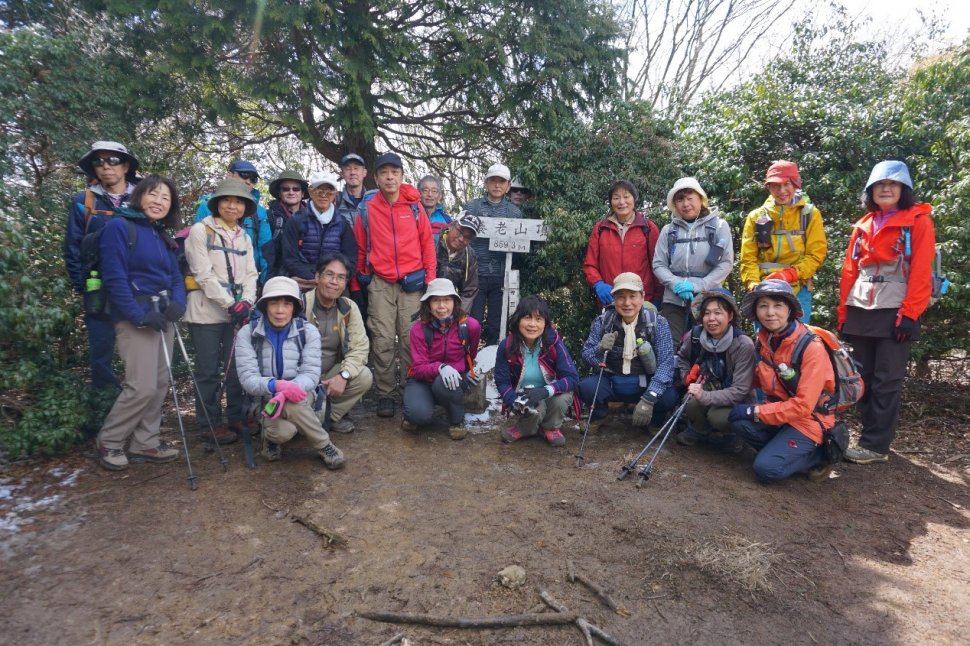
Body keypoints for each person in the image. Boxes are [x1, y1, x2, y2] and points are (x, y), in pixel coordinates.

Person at [837, 160, 937, 465]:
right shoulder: (863, 225)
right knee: (861, 376)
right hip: (861, 306)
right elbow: (849, 270)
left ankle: (876, 445)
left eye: (892, 184)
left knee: (887, 378)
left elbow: (921, 270)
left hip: (896, 307)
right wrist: (843, 313)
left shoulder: (918, 221)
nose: (886, 189)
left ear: (903, 189)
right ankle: (869, 436)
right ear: (870, 190)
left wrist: (909, 313)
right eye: (879, 185)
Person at [94, 175, 186, 471]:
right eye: (153, 194)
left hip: (162, 317)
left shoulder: (161, 234)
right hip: (136, 318)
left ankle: (146, 441)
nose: (158, 201)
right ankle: (110, 440)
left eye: (165, 198)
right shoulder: (119, 227)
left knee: (160, 383)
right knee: (141, 385)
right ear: (139, 196)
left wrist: (178, 303)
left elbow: (175, 276)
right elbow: (115, 277)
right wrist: (137, 314)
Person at [351, 152, 436, 418]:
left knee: (412, 339)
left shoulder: (414, 206)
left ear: (401, 176)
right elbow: (359, 247)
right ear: (375, 178)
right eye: (384, 173)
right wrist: (360, 277)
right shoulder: (367, 208)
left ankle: (413, 387)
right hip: (380, 283)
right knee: (383, 339)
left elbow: (427, 246)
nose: (390, 177)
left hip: (413, 283)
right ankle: (386, 394)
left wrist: (430, 281)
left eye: (395, 172)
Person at [729, 279, 834, 483]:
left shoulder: (811, 347)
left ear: (789, 310)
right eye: (763, 306)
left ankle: (820, 456)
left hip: (809, 420)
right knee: (739, 422)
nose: (770, 313)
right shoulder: (766, 339)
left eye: (778, 306)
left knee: (766, 469)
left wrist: (755, 410)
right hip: (780, 411)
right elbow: (761, 378)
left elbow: (804, 405)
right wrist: (731, 388)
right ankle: (781, 450)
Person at [234, 276, 345, 469]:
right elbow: (247, 379)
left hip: (301, 396)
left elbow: (310, 375)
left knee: (293, 402)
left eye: (286, 304)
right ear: (264, 306)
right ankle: (315, 442)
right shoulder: (248, 333)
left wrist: (286, 392)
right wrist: (276, 386)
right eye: (274, 303)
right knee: (282, 432)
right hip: (267, 400)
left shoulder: (308, 331)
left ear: (295, 308)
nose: (279, 310)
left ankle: (320, 444)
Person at [184, 178, 260, 445]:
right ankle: (209, 423)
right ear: (217, 204)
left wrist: (248, 302)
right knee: (207, 370)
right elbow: (203, 275)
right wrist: (231, 304)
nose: (233, 206)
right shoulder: (200, 231)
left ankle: (236, 417)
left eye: (239, 201)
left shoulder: (244, 236)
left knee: (236, 368)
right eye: (227, 200)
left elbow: (251, 273)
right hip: (206, 312)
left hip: (237, 313)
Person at [65, 141, 141, 389]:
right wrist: (82, 285)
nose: (105, 166)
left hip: (137, 288)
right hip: (97, 286)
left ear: (126, 165)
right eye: (99, 161)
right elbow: (73, 247)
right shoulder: (83, 201)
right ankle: (105, 407)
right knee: (101, 352)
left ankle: (137, 407)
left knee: (139, 354)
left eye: (113, 161)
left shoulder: (143, 197)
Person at [579, 272, 678, 433]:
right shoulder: (602, 322)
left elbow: (666, 366)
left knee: (669, 397)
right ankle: (599, 415)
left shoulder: (658, 323)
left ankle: (655, 421)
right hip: (612, 380)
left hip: (645, 382)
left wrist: (649, 398)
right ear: (614, 299)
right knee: (586, 387)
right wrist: (600, 348)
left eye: (633, 296)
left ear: (642, 297)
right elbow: (586, 358)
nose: (627, 303)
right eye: (621, 297)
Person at [739, 160, 827, 323]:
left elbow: (816, 254)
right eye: (775, 186)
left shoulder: (809, 214)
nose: (782, 191)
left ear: (795, 184)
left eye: (787, 184)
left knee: (797, 341)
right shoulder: (756, 217)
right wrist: (754, 286)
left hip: (798, 288)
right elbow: (748, 258)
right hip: (763, 289)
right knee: (766, 344)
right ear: (768, 188)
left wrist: (789, 274)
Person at [652, 177, 733, 348]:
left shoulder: (719, 226)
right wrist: (676, 284)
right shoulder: (668, 231)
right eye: (680, 199)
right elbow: (658, 264)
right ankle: (672, 376)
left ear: (700, 199)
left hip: (707, 299)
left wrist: (697, 286)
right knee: (669, 346)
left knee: (705, 345)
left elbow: (725, 264)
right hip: (673, 299)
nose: (686, 204)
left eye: (690, 198)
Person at [674, 289, 755, 452]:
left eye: (718, 313)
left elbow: (740, 390)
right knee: (689, 403)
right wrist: (687, 376)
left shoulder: (743, 344)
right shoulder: (695, 336)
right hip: (706, 388)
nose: (711, 318)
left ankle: (732, 435)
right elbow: (681, 357)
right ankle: (699, 429)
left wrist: (705, 396)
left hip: (735, 400)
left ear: (730, 316)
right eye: (707, 313)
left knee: (717, 416)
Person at [494, 295, 580, 447]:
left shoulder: (553, 343)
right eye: (527, 318)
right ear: (518, 320)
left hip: (551, 392)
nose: (532, 324)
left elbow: (572, 378)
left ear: (545, 323)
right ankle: (524, 428)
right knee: (536, 408)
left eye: (538, 319)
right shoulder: (507, 346)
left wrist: (546, 390)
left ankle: (550, 427)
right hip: (523, 395)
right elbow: (502, 381)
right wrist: (513, 399)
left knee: (562, 398)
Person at [401, 278, 481, 440]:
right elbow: (418, 367)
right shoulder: (418, 329)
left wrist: (467, 372)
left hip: (452, 380)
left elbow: (470, 354)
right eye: (436, 300)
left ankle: (456, 421)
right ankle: (425, 406)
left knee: (445, 383)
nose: (442, 306)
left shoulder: (470, 326)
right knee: (418, 415)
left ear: (455, 302)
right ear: (428, 304)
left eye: (446, 300)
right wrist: (441, 367)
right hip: (421, 380)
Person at [304, 253, 373, 433]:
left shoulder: (348, 307)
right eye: (329, 275)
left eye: (341, 277)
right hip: (301, 377)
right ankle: (309, 420)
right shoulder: (300, 304)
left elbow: (360, 348)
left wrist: (343, 376)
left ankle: (328, 418)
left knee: (363, 376)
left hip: (330, 375)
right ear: (317, 277)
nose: (335, 282)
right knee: (285, 429)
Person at [583, 180, 664, 310]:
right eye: (616, 198)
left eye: (626, 197)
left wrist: (658, 297)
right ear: (611, 202)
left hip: (642, 300)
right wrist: (598, 284)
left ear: (634, 199)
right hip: (611, 299)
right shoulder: (601, 229)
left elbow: (658, 264)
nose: (621, 202)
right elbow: (590, 265)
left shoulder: (648, 228)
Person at [465, 163, 522, 345]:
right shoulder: (472, 207)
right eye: (493, 181)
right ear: (486, 183)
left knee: (496, 324)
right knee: (473, 322)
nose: (497, 185)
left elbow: (520, 243)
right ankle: (470, 363)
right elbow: (463, 237)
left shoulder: (514, 212)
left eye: (501, 182)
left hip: (501, 274)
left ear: (508, 186)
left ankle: (493, 364)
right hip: (476, 272)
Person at [194, 159, 271, 283]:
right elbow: (198, 249)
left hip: (247, 282)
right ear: (229, 175)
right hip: (212, 280)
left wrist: (264, 284)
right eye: (244, 175)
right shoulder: (206, 206)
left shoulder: (260, 213)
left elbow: (266, 251)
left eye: (253, 179)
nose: (248, 181)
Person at [280, 171, 357, 292]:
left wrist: (333, 278)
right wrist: (316, 278)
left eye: (329, 191)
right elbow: (289, 259)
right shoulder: (296, 221)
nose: (324, 195)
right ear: (310, 191)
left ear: (335, 194)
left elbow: (351, 259)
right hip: (302, 282)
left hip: (334, 283)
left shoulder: (342, 223)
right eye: (319, 190)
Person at [435, 212, 481, 314]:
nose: (461, 239)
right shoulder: (433, 241)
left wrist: (458, 315)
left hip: (447, 306)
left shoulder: (470, 256)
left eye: (467, 237)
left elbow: (469, 291)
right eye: (460, 232)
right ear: (452, 225)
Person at [266, 169, 309, 239]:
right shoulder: (268, 217)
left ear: (302, 194)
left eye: (296, 189)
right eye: (285, 189)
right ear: (279, 193)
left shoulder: (313, 217)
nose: (291, 192)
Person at [335, 153, 368, 225]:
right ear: (342, 174)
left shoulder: (373, 200)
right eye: (348, 169)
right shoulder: (335, 201)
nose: (352, 172)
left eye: (356, 168)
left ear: (364, 172)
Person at [417, 174, 451, 239]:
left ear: (440, 195)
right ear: (418, 193)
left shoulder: (447, 220)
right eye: (425, 190)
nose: (430, 194)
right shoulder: (411, 215)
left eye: (434, 191)